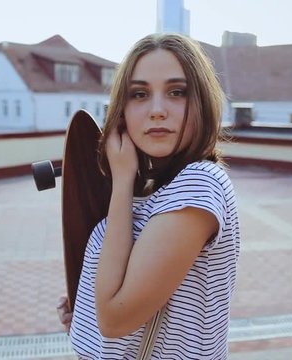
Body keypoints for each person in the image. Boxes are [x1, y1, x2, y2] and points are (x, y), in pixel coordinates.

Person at [57, 33, 240, 359]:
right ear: (121, 110)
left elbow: (115, 319)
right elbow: (114, 321)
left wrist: (122, 178)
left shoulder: (199, 184)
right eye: (139, 94)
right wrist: (85, 316)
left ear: (203, 101)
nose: (157, 110)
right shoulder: (150, 192)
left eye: (177, 92)